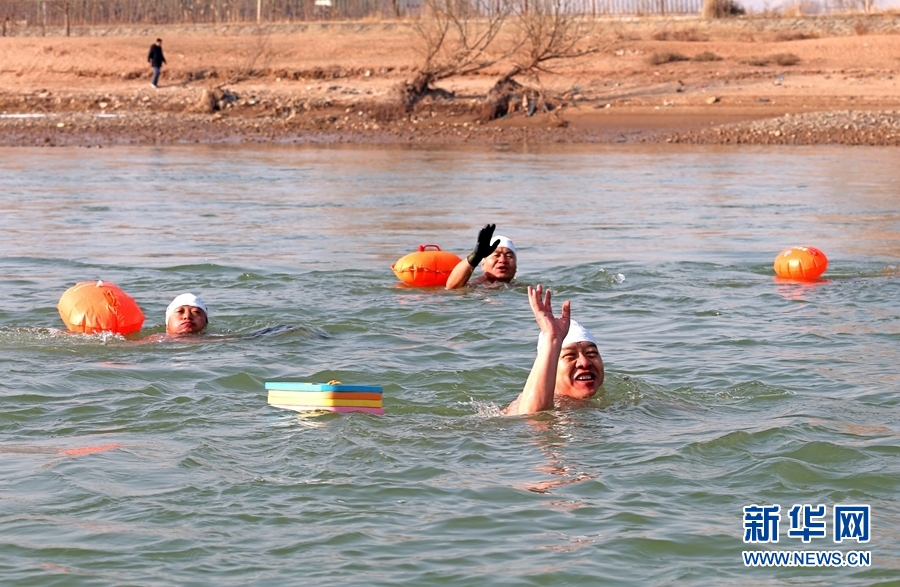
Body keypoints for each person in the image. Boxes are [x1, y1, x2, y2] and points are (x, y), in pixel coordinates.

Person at [504, 285, 604, 415]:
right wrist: (552, 338)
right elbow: (531, 418)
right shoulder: (527, 403)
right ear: (551, 368)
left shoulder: (610, 401)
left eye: (591, 353)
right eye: (570, 355)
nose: (585, 362)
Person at [445, 224, 517, 290]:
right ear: (483, 264)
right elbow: (451, 288)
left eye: (509, 256)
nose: (502, 260)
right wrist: (476, 256)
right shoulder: (473, 286)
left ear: (516, 266)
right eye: (496, 255)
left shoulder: (517, 287)